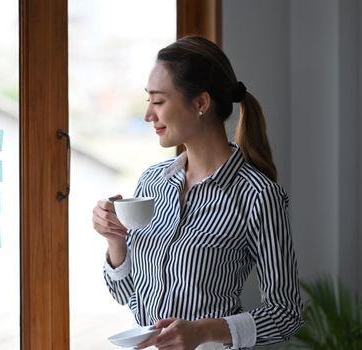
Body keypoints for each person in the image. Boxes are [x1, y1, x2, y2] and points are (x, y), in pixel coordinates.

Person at [92, 36, 303, 350]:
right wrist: (115, 240)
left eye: (159, 101)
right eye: (148, 100)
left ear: (201, 103)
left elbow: (285, 314)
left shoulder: (258, 195)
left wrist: (202, 331)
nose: (148, 114)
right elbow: (126, 294)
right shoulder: (152, 183)